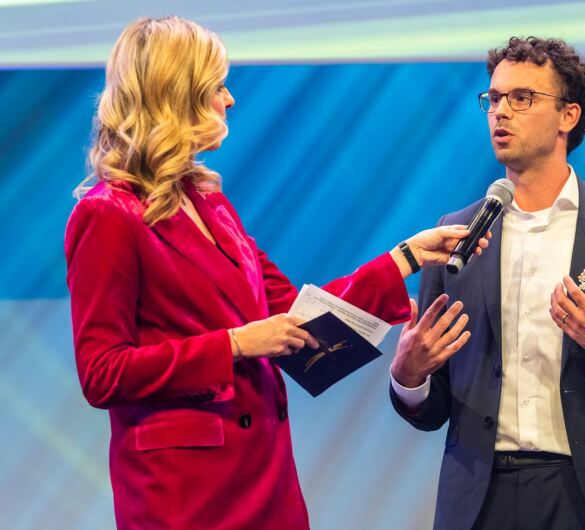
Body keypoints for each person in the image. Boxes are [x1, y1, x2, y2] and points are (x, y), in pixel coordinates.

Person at [65, 16, 487, 530]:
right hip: (186, 497)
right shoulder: (107, 214)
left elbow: (298, 314)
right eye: (217, 86)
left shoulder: (212, 204)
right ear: (179, 95)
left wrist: (406, 256)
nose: (230, 100)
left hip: (265, 479)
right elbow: (102, 372)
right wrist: (235, 345)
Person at [389, 36, 585, 530]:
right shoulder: (456, 234)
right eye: (492, 99)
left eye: (522, 98)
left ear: (568, 116)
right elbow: (433, 410)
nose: (500, 113)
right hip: (477, 497)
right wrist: (409, 377)